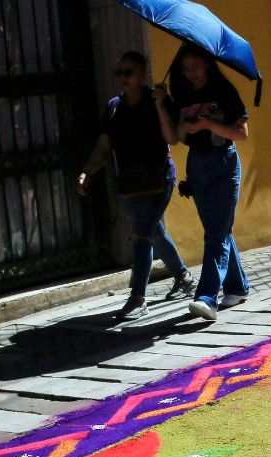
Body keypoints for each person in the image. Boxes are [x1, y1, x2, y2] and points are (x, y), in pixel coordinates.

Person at [78, 51, 194, 320]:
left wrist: (161, 105)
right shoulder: (114, 107)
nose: (123, 78)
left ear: (143, 74)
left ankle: (137, 297)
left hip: (158, 181)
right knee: (154, 231)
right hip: (130, 184)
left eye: (128, 72)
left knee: (141, 233)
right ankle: (184, 277)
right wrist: (87, 171)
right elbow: (104, 146)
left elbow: (172, 139)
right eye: (119, 73)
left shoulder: (158, 102)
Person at [168, 44, 252, 321]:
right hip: (198, 164)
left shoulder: (225, 92)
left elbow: (242, 133)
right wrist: (168, 110)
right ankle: (237, 287)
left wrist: (207, 125)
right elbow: (178, 137)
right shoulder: (181, 94)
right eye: (186, 67)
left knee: (215, 232)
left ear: (208, 65)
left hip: (224, 162)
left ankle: (206, 297)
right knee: (218, 229)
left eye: (196, 66)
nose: (191, 73)